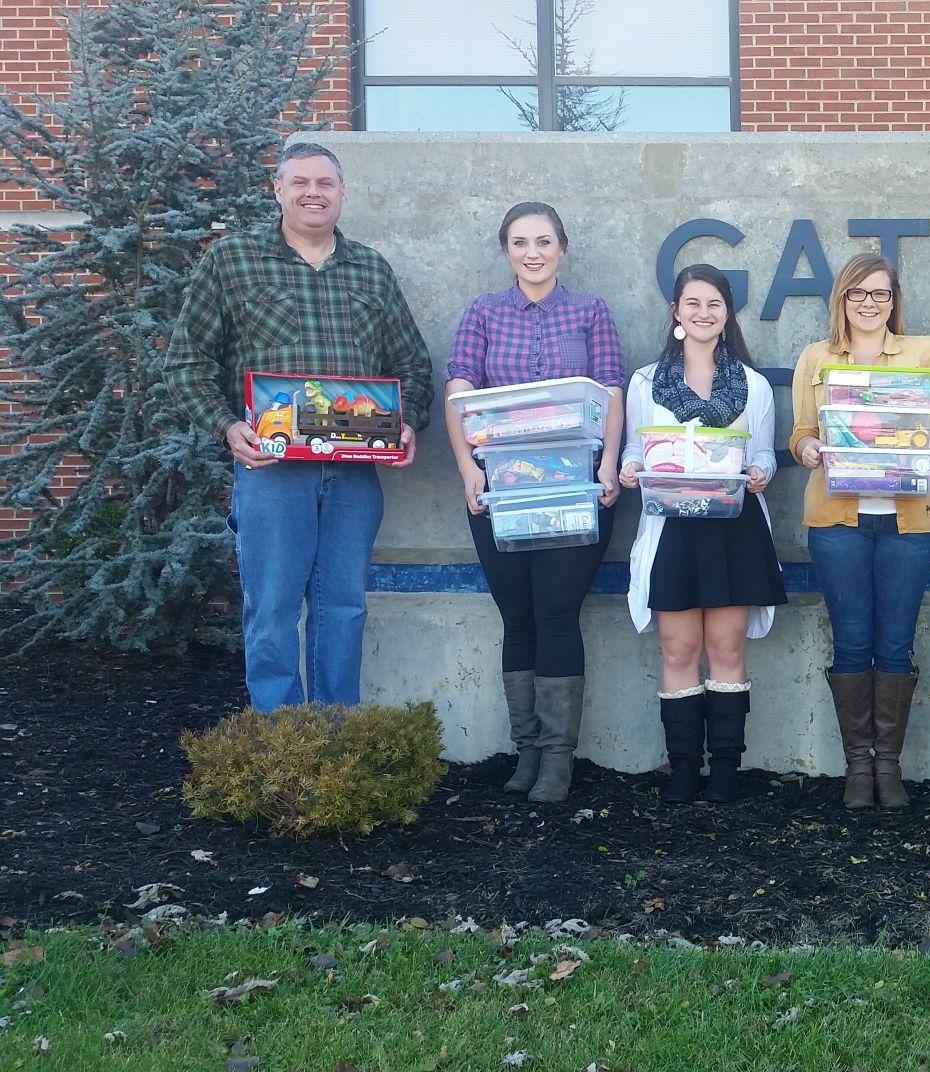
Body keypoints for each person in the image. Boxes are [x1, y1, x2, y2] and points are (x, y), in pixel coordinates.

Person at [164, 142, 433, 711]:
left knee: (344, 607)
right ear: (279, 190)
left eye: (326, 183)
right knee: (272, 608)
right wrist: (225, 427)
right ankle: (281, 747)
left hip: (355, 472)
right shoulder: (233, 260)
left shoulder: (371, 268)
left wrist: (406, 424)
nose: (315, 193)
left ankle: (338, 746)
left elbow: (411, 363)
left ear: (342, 193)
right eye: (301, 182)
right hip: (272, 469)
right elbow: (186, 362)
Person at [444, 202, 627, 803]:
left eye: (544, 241)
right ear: (506, 251)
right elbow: (460, 392)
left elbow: (610, 392)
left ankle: (556, 760)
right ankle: (525, 751)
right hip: (501, 490)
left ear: (562, 248)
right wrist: (468, 467)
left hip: (575, 489)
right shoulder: (483, 312)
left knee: (555, 615)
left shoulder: (590, 311)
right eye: (520, 242)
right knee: (517, 617)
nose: (533, 252)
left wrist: (608, 463)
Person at [789, 253, 930, 809]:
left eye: (880, 294)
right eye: (858, 293)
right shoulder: (815, 357)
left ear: (893, 301)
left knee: (896, 641)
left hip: (910, 520)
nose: (868, 303)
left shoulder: (922, 352)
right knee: (853, 640)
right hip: (839, 519)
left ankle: (890, 765)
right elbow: (802, 431)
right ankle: (858, 766)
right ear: (841, 300)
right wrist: (808, 448)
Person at [618, 264, 786, 804]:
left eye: (714, 304)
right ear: (676, 311)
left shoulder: (753, 384)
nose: (703, 313)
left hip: (733, 528)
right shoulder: (645, 383)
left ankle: (727, 772)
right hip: (672, 530)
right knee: (678, 648)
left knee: (727, 646)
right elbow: (634, 451)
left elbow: (762, 452)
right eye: (692, 303)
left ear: (727, 312)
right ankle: (685, 770)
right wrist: (625, 469)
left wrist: (763, 471)